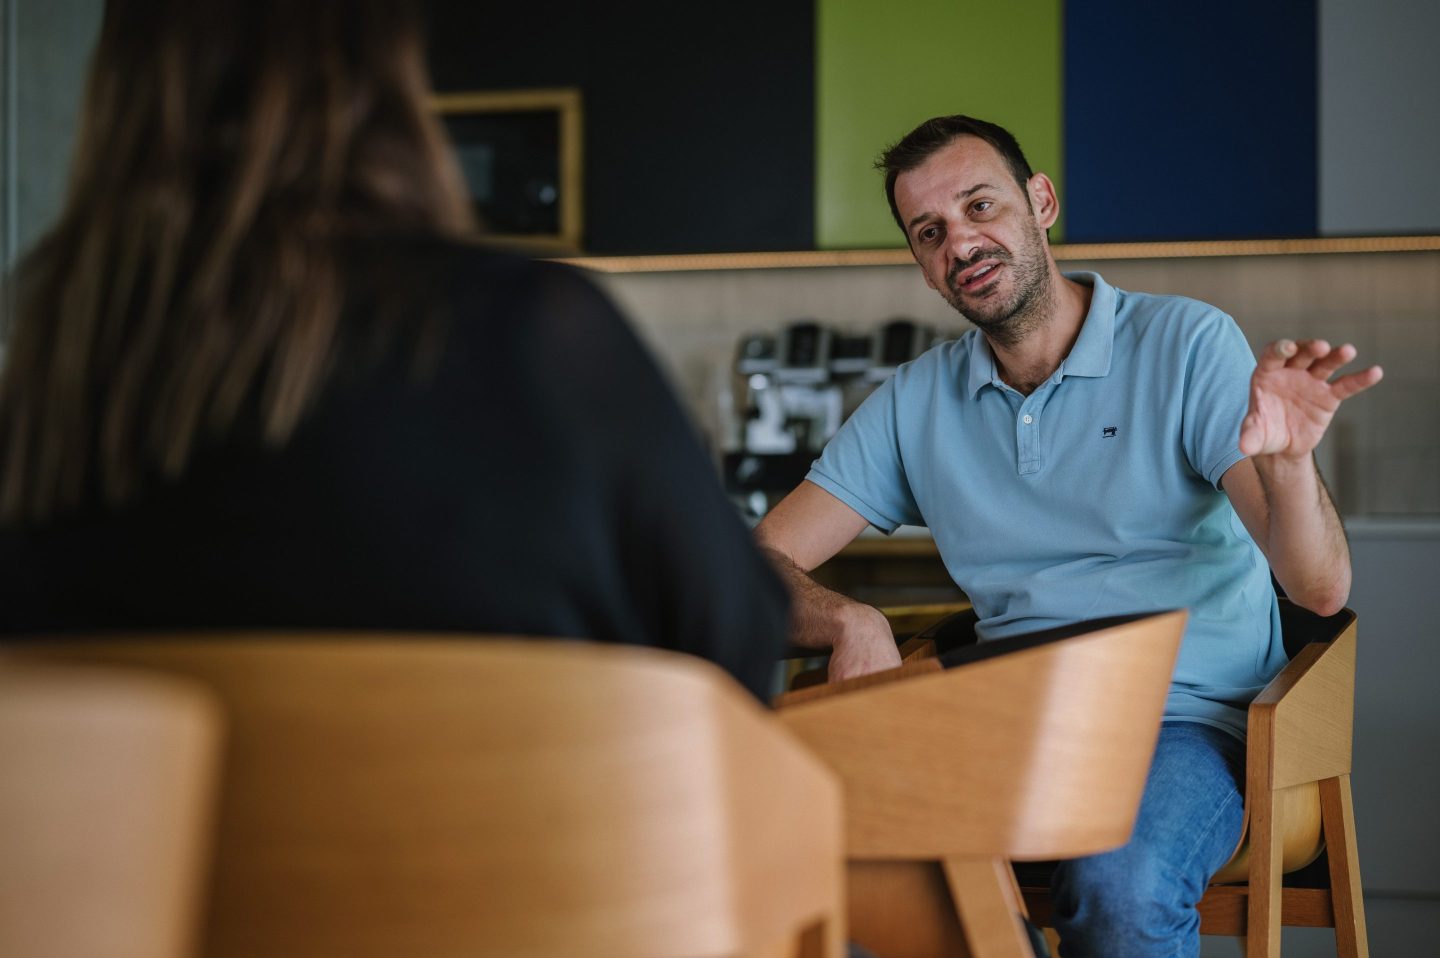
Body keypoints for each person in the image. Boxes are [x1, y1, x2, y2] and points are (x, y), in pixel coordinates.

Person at [0, 0, 787, 700]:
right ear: (385, 94)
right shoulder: (535, 334)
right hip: (509, 862)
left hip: (165, 871)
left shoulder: (50, 389)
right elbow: (738, 643)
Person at [754, 114, 1382, 956]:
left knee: (1117, 882)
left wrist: (1292, 463)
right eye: (930, 231)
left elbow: (1317, 590)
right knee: (826, 850)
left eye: (981, 206)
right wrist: (848, 621)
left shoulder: (1185, 343)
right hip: (1005, 729)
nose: (961, 242)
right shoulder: (914, 402)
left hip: (1189, 727)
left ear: (1040, 201)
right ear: (919, 260)